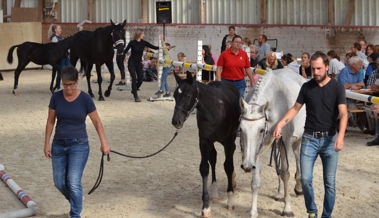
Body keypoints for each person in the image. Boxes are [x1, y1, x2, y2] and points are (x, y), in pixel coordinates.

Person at [273, 52, 348, 218]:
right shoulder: (307, 87)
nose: (316, 72)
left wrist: (341, 136)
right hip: (309, 139)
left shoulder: (337, 88)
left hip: (330, 140)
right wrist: (279, 124)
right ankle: (312, 211)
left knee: (330, 184)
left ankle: (326, 215)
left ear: (327, 67)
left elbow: (343, 114)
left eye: (319, 68)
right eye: (313, 69)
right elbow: (295, 109)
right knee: (305, 180)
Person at [44, 66, 110, 218]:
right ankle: (77, 200)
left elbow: (97, 122)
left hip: (78, 144)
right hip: (59, 144)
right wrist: (46, 143)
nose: (68, 88)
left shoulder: (85, 99)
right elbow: (50, 122)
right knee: (59, 182)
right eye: (65, 84)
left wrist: (104, 143)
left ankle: (75, 214)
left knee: (73, 181)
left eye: (71, 84)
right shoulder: (56, 97)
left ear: (77, 81)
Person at [124, 29, 159, 102]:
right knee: (134, 78)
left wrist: (163, 47)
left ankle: (134, 89)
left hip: (139, 63)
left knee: (140, 79)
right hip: (131, 62)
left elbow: (154, 47)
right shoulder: (132, 42)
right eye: (143, 34)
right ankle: (136, 96)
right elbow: (125, 51)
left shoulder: (144, 43)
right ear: (139, 34)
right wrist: (120, 53)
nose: (144, 35)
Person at [48, 24, 71, 90]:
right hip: (60, 58)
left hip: (66, 56)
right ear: (55, 30)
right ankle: (58, 86)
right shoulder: (54, 38)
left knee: (70, 69)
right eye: (59, 28)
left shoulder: (61, 38)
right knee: (60, 72)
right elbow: (57, 48)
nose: (61, 30)